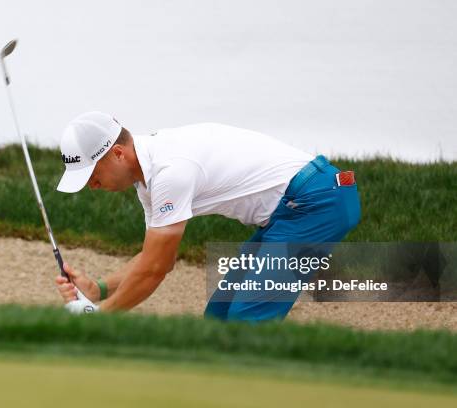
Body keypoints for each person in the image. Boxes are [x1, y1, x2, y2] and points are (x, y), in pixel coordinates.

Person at [54, 111, 361, 323]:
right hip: (291, 210)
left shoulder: (170, 170)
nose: (92, 186)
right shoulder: (148, 179)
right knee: (220, 315)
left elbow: (154, 270)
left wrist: (99, 316)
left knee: (246, 319)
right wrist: (99, 289)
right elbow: (156, 258)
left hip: (317, 203)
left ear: (118, 154)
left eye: (93, 175)